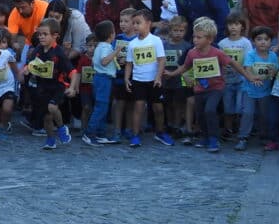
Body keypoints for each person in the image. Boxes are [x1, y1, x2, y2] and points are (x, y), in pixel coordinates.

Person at [165, 16, 260, 153]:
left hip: (215, 88)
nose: (195, 40)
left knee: (210, 110)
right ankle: (204, 137)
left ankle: (213, 139)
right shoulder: (192, 53)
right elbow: (185, 67)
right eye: (194, 37)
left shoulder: (217, 53)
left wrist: (249, 77)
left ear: (209, 39)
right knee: (201, 113)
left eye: (199, 37)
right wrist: (172, 74)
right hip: (199, 88)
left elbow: (234, 64)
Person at [19, 19, 76, 149]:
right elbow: (30, 62)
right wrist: (27, 68)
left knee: (52, 107)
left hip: (57, 86)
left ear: (55, 35)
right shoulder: (38, 49)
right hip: (42, 87)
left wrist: (72, 87)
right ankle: (51, 139)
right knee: (46, 117)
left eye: (45, 34)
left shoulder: (59, 52)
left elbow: (73, 71)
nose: (41, 37)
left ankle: (61, 128)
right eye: (39, 34)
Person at [124, 9, 173, 147]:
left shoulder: (156, 41)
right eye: (133, 23)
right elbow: (129, 63)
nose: (135, 26)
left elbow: (162, 60)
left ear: (148, 23)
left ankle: (160, 132)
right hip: (138, 80)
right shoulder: (132, 44)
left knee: (158, 108)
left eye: (138, 23)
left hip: (154, 81)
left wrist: (158, 77)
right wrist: (127, 78)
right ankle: (135, 135)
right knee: (138, 107)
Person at [234, 26, 279, 151]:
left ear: (271, 42)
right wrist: (253, 78)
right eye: (259, 39)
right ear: (254, 41)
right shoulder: (251, 54)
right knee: (247, 113)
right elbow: (247, 69)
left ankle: (263, 135)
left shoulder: (273, 56)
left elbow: (275, 70)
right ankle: (243, 137)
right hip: (249, 90)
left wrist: (272, 72)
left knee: (264, 114)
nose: (263, 42)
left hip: (265, 91)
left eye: (266, 39)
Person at [82, 20, 121, 146]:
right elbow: (104, 61)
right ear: (111, 35)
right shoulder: (106, 47)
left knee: (102, 107)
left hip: (99, 78)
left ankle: (100, 133)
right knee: (101, 108)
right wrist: (116, 52)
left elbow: (95, 63)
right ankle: (89, 133)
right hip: (104, 79)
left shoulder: (99, 47)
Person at [217, 12, 253, 139]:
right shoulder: (222, 43)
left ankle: (240, 129)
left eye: (236, 24)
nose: (233, 27)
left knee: (240, 106)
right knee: (228, 106)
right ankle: (228, 129)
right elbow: (219, 60)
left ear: (242, 27)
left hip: (241, 79)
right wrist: (223, 66)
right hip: (227, 80)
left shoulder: (246, 43)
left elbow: (249, 60)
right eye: (230, 24)